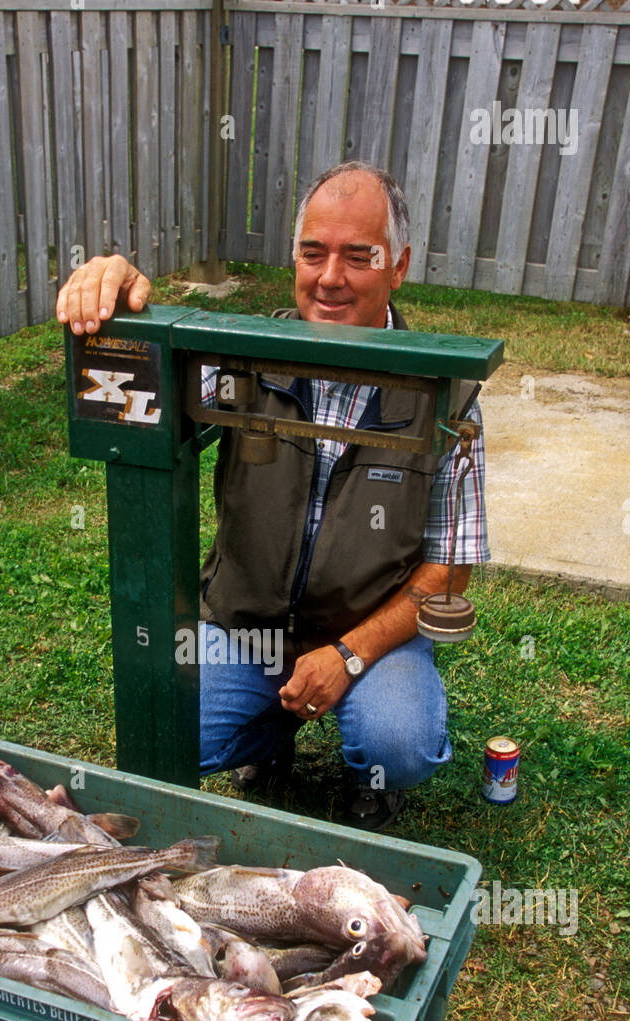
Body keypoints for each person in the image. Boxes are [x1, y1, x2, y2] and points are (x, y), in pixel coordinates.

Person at [56, 161, 489, 832]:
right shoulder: (242, 361)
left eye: (358, 257)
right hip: (246, 624)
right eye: (313, 254)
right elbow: (143, 377)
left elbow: (449, 568)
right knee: (168, 736)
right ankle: (271, 729)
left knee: (398, 744)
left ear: (398, 266)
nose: (329, 277)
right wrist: (118, 295)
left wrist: (347, 655)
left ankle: (370, 770)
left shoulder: (444, 396)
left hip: (369, 635)